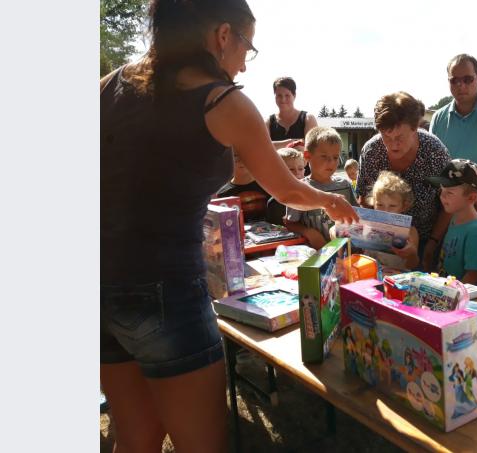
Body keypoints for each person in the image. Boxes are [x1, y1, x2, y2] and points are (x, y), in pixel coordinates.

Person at [100, 2, 357, 452]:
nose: (244, 61)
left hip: (99, 285)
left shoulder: (109, 84)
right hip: (168, 291)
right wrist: (331, 199)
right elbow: (288, 189)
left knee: (136, 437)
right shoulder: (222, 100)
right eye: (247, 46)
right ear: (222, 35)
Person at [356, 91, 452, 268]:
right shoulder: (371, 151)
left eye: (399, 137)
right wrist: (375, 237)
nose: (393, 145)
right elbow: (363, 198)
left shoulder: (434, 152)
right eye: (386, 136)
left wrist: (432, 242)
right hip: (380, 243)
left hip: (427, 238)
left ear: (415, 127)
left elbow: (450, 202)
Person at [285, 127, 358, 249]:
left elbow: (356, 214)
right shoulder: (301, 189)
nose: (331, 162)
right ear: (307, 156)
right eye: (324, 156)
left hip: (347, 253)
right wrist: (309, 233)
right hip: (315, 255)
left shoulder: (345, 184)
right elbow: (290, 223)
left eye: (335, 157)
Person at [426, 159, 477, 285]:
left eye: (449, 193)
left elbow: (473, 275)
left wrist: (452, 296)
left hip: (459, 299)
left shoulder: (475, 231)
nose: (442, 197)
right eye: (442, 190)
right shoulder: (454, 219)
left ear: (471, 197)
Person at [361, 171, 420, 270]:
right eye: (380, 205)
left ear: (403, 206)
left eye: (392, 206)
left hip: (397, 279)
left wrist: (412, 254)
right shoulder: (368, 225)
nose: (385, 211)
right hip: (371, 276)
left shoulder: (410, 231)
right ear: (373, 203)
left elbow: (413, 264)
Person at [266, 76, 318, 149]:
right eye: (279, 95)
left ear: (294, 95)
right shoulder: (268, 122)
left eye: (287, 95)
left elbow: (312, 148)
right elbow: (263, 146)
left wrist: (275, 145)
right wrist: (293, 142)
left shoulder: (308, 118)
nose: (283, 99)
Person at [216, 151, 270, 221]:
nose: (241, 160)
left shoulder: (266, 186)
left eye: (246, 156)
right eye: (235, 156)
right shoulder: (222, 194)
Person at [265, 147, 305, 224]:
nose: (297, 173)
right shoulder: (275, 203)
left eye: (300, 168)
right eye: (291, 169)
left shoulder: (310, 195)